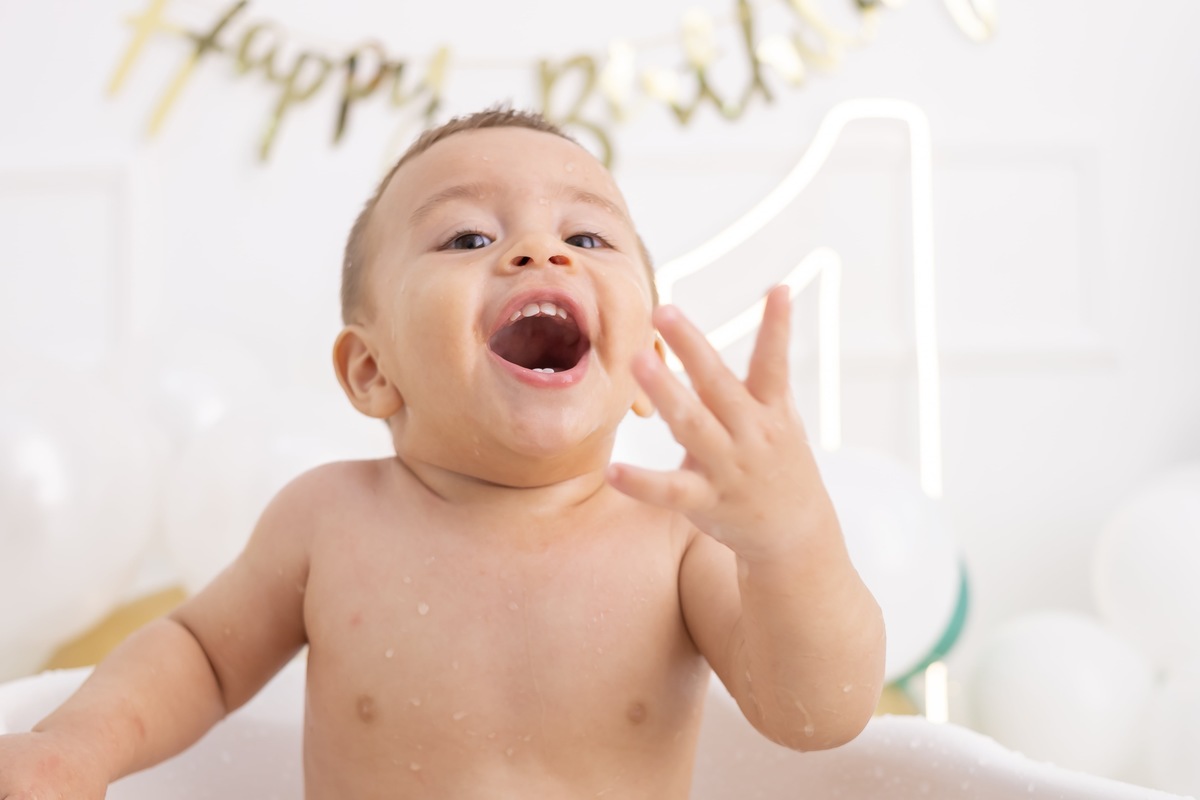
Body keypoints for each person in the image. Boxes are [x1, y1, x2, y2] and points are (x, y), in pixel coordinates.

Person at [0, 107, 885, 799]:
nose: (539, 252)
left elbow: (819, 716)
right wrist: (77, 747)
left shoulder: (677, 541)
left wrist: (793, 540)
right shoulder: (327, 520)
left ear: (646, 361)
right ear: (373, 370)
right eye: (468, 238)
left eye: (587, 238)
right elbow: (199, 654)